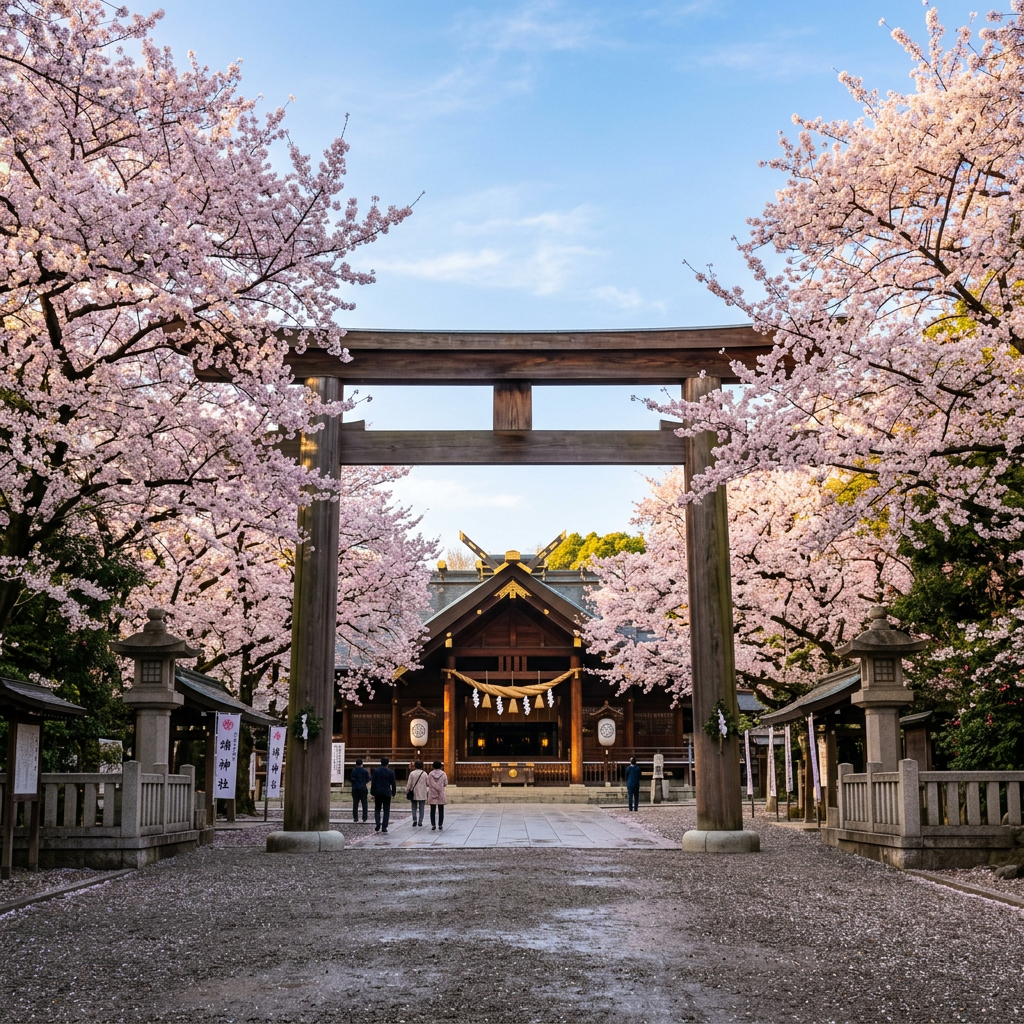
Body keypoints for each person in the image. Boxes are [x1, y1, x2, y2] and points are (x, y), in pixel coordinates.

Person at [370, 756, 397, 833]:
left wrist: (372, 792)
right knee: (386, 810)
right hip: (387, 793)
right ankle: (384, 826)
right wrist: (393, 792)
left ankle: (378, 823)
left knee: (377, 809)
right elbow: (393, 783)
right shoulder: (390, 772)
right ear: (388, 763)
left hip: (378, 792)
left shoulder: (376, 771)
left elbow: (373, 782)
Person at [427, 759, 448, 830]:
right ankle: (440, 824)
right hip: (440, 793)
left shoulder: (430, 774)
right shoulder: (443, 774)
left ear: (433, 766)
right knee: (441, 810)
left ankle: (433, 824)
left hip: (432, 793)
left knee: (432, 810)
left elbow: (428, 783)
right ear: (440, 766)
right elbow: (445, 783)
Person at [406, 760, 428, 827]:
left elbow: (409, 784)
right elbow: (428, 783)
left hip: (414, 792)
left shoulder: (412, 773)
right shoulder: (424, 774)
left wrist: (407, 790)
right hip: (422, 792)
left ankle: (414, 820)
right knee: (422, 807)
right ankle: (420, 821)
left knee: (413, 806)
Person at [350, 757, 370, 823]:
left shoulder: (353, 771)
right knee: (364, 803)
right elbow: (368, 780)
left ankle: (355, 818)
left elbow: (351, 779)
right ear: (362, 764)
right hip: (363, 788)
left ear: (356, 764)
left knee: (355, 803)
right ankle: (364, 818)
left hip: (355, 788)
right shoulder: (365, 771)